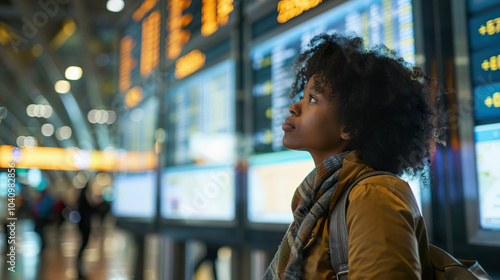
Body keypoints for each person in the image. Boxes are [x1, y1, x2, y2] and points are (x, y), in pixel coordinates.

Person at [263, 33, 446, 279]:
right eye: (302, 96)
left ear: (350, 126)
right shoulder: (322, 199)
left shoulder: (373, 194)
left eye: (312, 99)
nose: (294, 108)